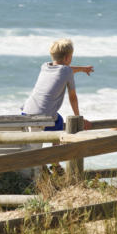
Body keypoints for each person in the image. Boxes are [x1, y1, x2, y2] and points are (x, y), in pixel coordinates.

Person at [22, 39, 93, 174]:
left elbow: (63, 69)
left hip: (26, 112)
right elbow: (72, 97)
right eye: (71, 57)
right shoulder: (67, 71)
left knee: (44, 133)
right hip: (43, 116)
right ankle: (55, 163)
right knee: (59, 123)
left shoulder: (45, 66)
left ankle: (45, 164)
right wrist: (79, 117)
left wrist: (82, 69)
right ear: (67, 57)